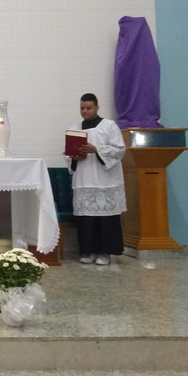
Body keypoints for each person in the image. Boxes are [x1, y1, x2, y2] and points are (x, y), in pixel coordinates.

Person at [67, 93, 126, 265]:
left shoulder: (109, 126)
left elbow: (119, 150)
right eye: (82, 108)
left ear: (97, 107)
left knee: (106, 219)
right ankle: (90, 251)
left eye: (89, 108)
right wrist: (73, 156)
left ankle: (105, 252)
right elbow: (68, 155)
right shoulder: (74, 129)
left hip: (105, 180)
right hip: (84, 178)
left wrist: (97, 149)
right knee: (86, 219)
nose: (85, 111)